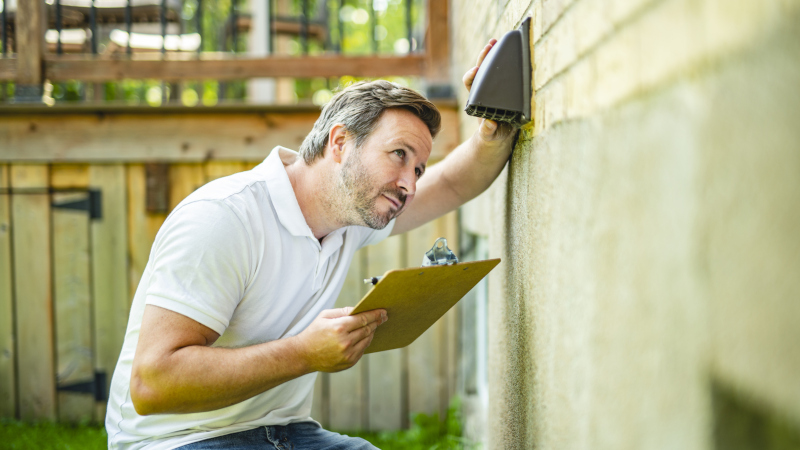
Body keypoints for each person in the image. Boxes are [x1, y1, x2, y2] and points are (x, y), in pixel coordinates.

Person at [105, 39, 515, 450]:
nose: (410, 184)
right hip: (176, 440)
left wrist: (493, 121)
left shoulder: (353, 215)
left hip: (287, 432)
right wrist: (303, 353)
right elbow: (152, 383)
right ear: (339, 143)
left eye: (418, 167)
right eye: (398, 154)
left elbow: (452, 182)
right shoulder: (224, 218)